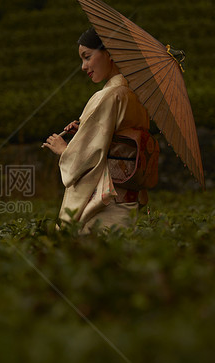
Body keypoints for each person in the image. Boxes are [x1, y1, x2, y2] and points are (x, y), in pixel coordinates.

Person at [42, 28, 151, 233]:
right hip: (130, 198)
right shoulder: (135, 96)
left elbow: (87, 157)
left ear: (109, 53)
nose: (84, 67)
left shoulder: (107, 96)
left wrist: (64, 149)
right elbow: (113, 140)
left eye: (87, 57)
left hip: (105, 203)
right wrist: (83, 131)